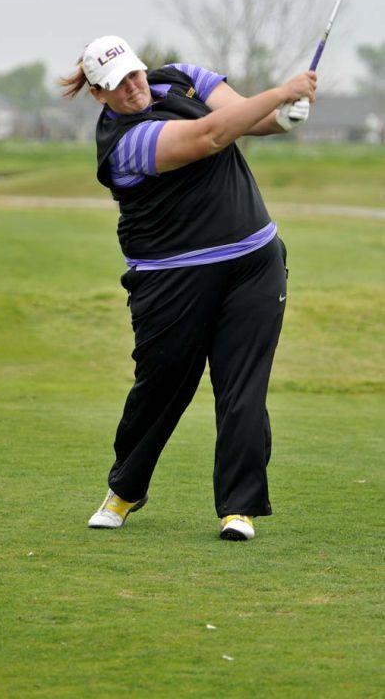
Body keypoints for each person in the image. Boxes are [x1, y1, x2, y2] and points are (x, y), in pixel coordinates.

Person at [61, 35, 317, 540]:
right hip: (170, 278)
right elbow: (210, 136)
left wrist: (284, 114)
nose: (133, 88)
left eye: (134, 73)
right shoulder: (122, 143)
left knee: (243, 386)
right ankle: (126, 489)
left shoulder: (180, 77)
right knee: (162, 386)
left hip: (253, 261)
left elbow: (246, 117)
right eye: (116, 84)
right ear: (98, 94)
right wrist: (281, 90)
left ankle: (239, 508)